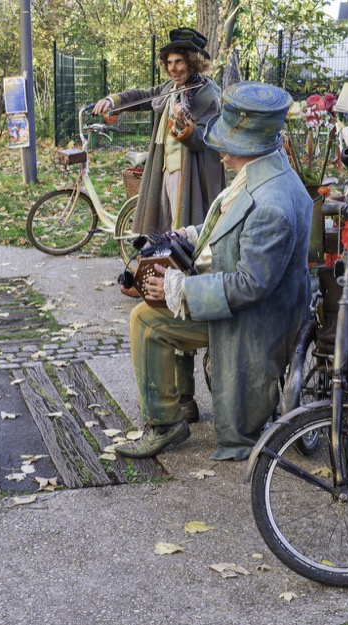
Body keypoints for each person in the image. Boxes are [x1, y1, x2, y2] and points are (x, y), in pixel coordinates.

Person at [116, 82, 312, 462]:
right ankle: (182, 403)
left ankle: (164, 421)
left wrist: (180, 289)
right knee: (159, 300)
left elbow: (249, 285)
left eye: (226, 145)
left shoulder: (271, 202)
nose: (219, 151)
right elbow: (228, 226)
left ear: (246, 148)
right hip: (247, 302)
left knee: (146, 319)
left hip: (253, 321)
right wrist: (187, 237)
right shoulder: (262, 172)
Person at [92, 27, 225, 425]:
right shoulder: (170, 89)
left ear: (194, 61)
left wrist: (190, 131)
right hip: (165, 181)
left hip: (193, 188)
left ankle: (186, 397)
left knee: (180, 267)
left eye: (179, 62)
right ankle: (181, 395)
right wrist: (113, 100)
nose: (174, 69)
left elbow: (215, 139)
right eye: (169, 63)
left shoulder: (207, 94)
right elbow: (142, 96)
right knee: (160, 256)